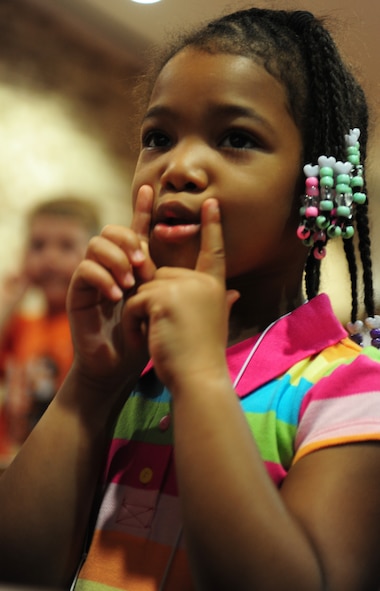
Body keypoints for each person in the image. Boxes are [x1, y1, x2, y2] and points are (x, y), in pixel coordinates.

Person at [1, 7, 380, 591]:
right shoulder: (131, 369)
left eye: (236, 138)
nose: (179, 166)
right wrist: (94, 384)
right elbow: (21, 560)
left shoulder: (352, 391)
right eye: (159, 138)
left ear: (320, 194)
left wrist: (202, 379)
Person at [0, 196, 101, 459]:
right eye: (38, 245)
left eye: (66, 246)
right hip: (14, 459)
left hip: (64, 459)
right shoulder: (20, 326)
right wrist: (8, 303)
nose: (49, 258)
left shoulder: (91, 328)